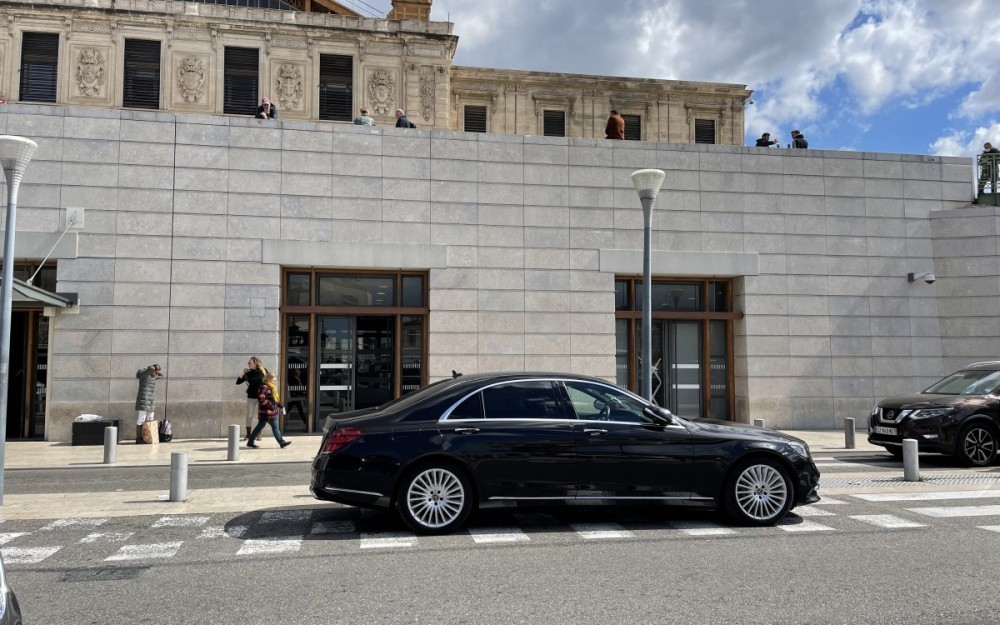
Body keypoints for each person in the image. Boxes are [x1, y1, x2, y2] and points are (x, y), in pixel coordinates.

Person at [248, 372, 292, 449]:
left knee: (259, 427)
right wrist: (272, 407)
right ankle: (281, 442)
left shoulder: (271, 387)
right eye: (273, 379)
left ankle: (250, 442)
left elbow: (274, 399)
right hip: (267, 412)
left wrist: (281, 406)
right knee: (275, 427)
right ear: (269, 379)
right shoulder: (264, 387)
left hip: (267, 412)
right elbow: (262, 400)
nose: (274, 381)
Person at [236, 357, 267, 441]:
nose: (248, 364)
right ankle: (248, 434)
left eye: (250, 363)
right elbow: (238, 382)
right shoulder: (248, 373)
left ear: (255, 363)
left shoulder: (264, 371)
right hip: (251, 396)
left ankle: (259, 434)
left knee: (261, 415)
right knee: (249, 415)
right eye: (248, 363)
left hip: (261, 397)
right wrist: (242, 372)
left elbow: (268, 382)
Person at [134, 364, 163, 444]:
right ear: (152, 370)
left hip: (150, 400)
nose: (156, 374)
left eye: (157, 373)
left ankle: (148, 437)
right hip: (143, 399)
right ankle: (138, 438)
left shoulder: (153, 377)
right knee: (141, 419)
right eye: (155, 372)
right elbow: (150, 369)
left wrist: (158, 374)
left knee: (150, 419)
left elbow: (159, 376)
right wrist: (153, 368)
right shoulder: (144, 375)